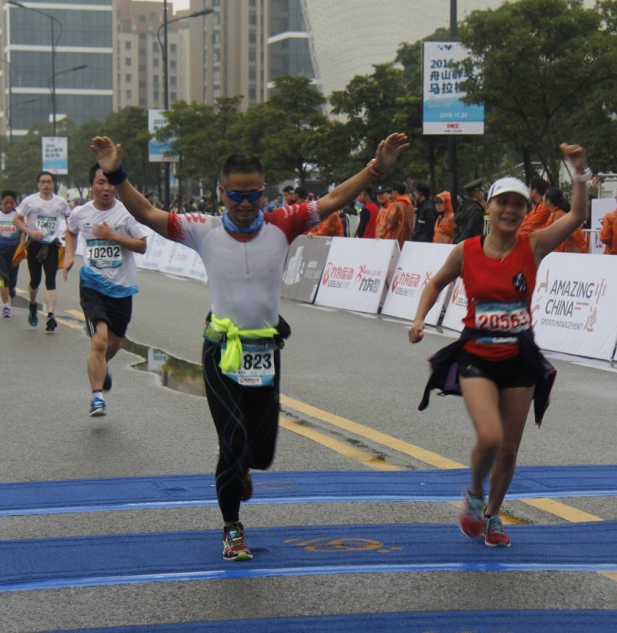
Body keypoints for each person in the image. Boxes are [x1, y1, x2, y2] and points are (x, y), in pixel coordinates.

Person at [90, 131, 409, 561]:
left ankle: (241, 469)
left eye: (254, 194)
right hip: (221, 350)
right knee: (233, 440)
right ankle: (232, 528)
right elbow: (146, 213)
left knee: (260, 453)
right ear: (222, 192)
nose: (245, 203)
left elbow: (334, 200)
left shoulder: (283, 223)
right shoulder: (202, 230)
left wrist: (377, 168)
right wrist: (115, 173)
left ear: (264, 191)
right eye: (236, 195)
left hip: (264, 351)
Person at [408, 143, 590, 547]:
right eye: (502, 202)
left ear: (526, 210)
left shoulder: (533, 246)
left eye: (518, 204)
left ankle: (492, 515)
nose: (510, 210)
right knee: (490, 437)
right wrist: (420, 318)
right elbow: (436, 283)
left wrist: (579, 172)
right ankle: (474, 495)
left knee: (509, 450)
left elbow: (578, 215)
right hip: (477, 355)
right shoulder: (466, 251)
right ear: (488, 207)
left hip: (520, 357)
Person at [64, 164, 148, 417]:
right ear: (92, 185)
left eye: (111, 183)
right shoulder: (80, 213)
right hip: (92, 284)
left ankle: (101, 366)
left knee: (113, 345)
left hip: (122, 288)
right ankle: (97, 397)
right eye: (101, 182)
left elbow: (142, 245)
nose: (106, 188)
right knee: (99, 341)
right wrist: (69, 255)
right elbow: (70, 232)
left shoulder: (126, 213)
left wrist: (115, 237)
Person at [12, 171, 70, 332]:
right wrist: (30, 232)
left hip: (52, 245)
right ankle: (32, 304)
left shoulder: (60, 202)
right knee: (35, 280)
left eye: (49, 182)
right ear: (38, 184)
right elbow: (16, 219)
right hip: (34, 245)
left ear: (53, 184)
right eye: (43, 182)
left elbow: (70, 218)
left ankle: (51, 315)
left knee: (51, 279)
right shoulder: (30, 201)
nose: (46, 185)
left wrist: (68, 231)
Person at [0, 191, 24, 317]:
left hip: (14, 250)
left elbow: (22, 231)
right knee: (4, 278)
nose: (8, 205)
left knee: (12, 278)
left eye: (11, 203)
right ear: (1, 201)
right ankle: (6, 306)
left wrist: (22, 244)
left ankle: (12, 288)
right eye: (6, 202)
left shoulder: (18, 215)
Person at [544, 188, 588, 254]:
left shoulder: (557, 215)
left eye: (544, 197)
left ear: (549, 201)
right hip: (572, 252)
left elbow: (560, 239)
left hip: (568, 253)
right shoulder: (559, 214)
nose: (543, 200)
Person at [377, 182, 414, 247]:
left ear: (396, 192)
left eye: (392, 192)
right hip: (407, 240)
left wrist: (380, 236)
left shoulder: (396, 205)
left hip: (395, 240)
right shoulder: (409, 205)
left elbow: (389, 223)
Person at [453, 178, 487, 243]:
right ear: (476, 193)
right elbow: (469, 230)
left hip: (458, 242)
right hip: (470, 244)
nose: (483, 193)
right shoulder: (476, 210)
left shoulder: (463, 206)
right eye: (481, 190)